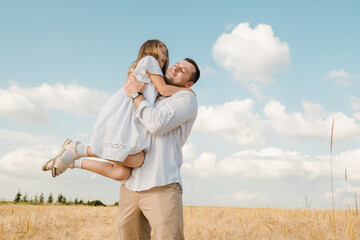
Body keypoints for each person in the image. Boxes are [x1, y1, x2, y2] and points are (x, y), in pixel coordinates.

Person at [42, 39, 191, 181]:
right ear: (150, 50)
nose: (165, 56)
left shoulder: (152, 73)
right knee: (137, 160)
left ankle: (72, 162)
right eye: (162, 51)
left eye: (166, 54)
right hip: (126, 117)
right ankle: (78, 149)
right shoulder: (150, 61)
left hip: (135, 118)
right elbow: (164, 90)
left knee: (122, 173)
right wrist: (187, 91)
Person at [118, 57, 200, 239]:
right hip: (131, 184)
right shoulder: (152, 92)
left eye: (183, 71)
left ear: (188, 84)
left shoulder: (186, 98)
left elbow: (157, 124)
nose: (176, 68)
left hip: (161, 183)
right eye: (177, 64)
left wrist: (136, 95)